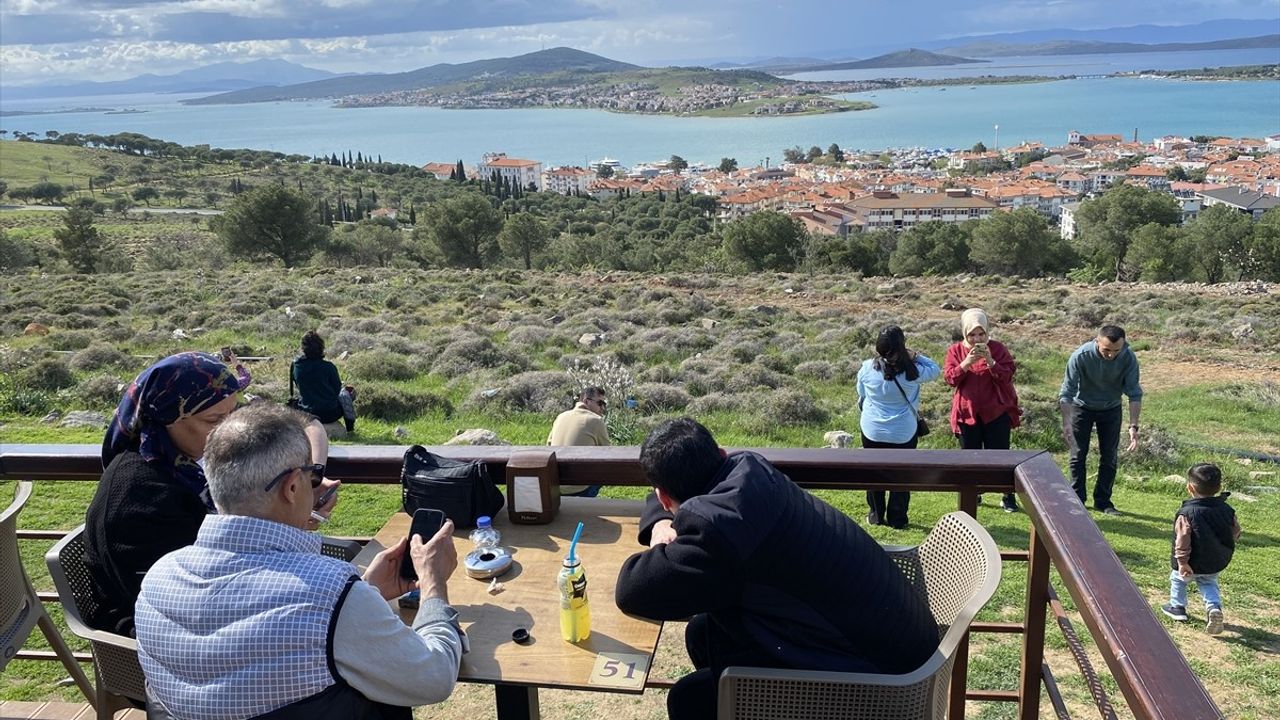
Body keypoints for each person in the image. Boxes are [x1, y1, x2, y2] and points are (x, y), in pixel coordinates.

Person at [135, 404, 465, 719]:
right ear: (292, 486)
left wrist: (366, 593)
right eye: (314, 476)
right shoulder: (332, 595)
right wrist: (433, 583)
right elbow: (434, 677)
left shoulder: (156, 581)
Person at [615, 418, 937, 720]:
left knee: (689, 698)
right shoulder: (750, 470)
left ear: (663, 493)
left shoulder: (718, 533)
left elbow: (633, 590)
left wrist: (660, 540)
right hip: (897, 640)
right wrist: (662, 517)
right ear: (722, 454)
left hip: (881, 683)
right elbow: (667, 503)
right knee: (704, 631)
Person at [83, 352, 339, 636]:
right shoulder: (142, 495)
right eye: (214, 420)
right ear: (165, 418)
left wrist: (298, 492)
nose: (228, 430)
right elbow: (200, 597)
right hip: (167, 642)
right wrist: (288, 510)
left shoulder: (183, 466)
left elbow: (308, 424)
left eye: (233, 413)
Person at [856, 325, 941, 528]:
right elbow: (935, 370)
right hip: (903, 432)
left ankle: (876, 515)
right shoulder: (914, 372)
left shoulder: (867, 367)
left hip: (872, 430)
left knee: (874, 473)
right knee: (902, 475)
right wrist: (915, 355)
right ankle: (898, 519)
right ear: (902, 346)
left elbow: (861, 393)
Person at [943, 309, 1022, 512]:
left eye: (981, 334)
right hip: (967, 413)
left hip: (995, 411)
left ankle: (1007, 496)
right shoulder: (955, 351)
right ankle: (973, 495)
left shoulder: (997, 348)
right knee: (970, 457)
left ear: (987, 332)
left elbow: (1007, 375)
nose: (977, 339)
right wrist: (966, 363)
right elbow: (951, 379)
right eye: (972, 335)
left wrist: (991, 361)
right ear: (965, 334)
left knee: (1001, 456)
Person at [1059, 324, 1143, 515]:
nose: (1111, 355)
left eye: (1116, 350)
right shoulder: (1080, 356)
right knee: (1077, 454)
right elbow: (1066, 393)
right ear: (1097, 342)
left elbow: (1134, 393)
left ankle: (1103, 501)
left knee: (1109, 456)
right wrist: (1066, 422)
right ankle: (1077, 499)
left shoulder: (1128, 357)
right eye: (1106, 350)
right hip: (1082, 407)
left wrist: (1133, 426)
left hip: (1111, 408)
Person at [1161, 463, 1241, 635]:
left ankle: (1177, 607)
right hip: (1214, 560)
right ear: (1219, 487)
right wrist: (1223, 546)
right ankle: (1213, 608)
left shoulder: (1188, 512)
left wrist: (1182, 562)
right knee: (1208, 582)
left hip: (1191, 560)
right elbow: (1236, 530)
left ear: (1189, 487)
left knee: (1178, 579)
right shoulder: (1226, 509)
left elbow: (1182, 540)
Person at [547, 386, 609, 497]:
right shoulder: (596, 420)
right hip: (579, 487)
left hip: (555, 484)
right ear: (586, 401)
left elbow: (548, 445)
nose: (602, 408)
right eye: (600, 403)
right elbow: (608, 452)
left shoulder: (560, 417)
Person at [292, 330, 357, 435]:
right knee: (346, 394)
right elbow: (337, 390)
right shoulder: (328, 367)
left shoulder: (296, 366)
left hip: (307, 413)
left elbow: (298, 386)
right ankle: (350, 429)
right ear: (321, 347)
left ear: (303, 348)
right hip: (330, 413)